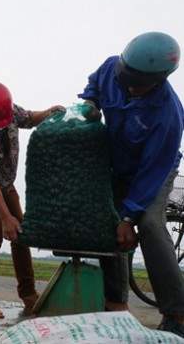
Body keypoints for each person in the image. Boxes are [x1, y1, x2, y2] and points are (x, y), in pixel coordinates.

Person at [78, 31, 184, 337]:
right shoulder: (113, 70)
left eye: (139, 85)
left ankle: (177, 310)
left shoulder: (168, 114)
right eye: (127, 82)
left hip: (154, 172)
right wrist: (90, 102)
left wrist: (130, 216)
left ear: (160, 79)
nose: (131, 89)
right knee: (106, 222)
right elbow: (94, 86)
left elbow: (152, 171)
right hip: (118, 167)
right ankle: (115, 305)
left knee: (149, 223)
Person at [0, 80, 64, 318]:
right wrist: (6, 217)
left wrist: (48, 113)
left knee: (21, 232)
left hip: (6, 184)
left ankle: (28, 294)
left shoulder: (7, 110)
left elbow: (29, 118)